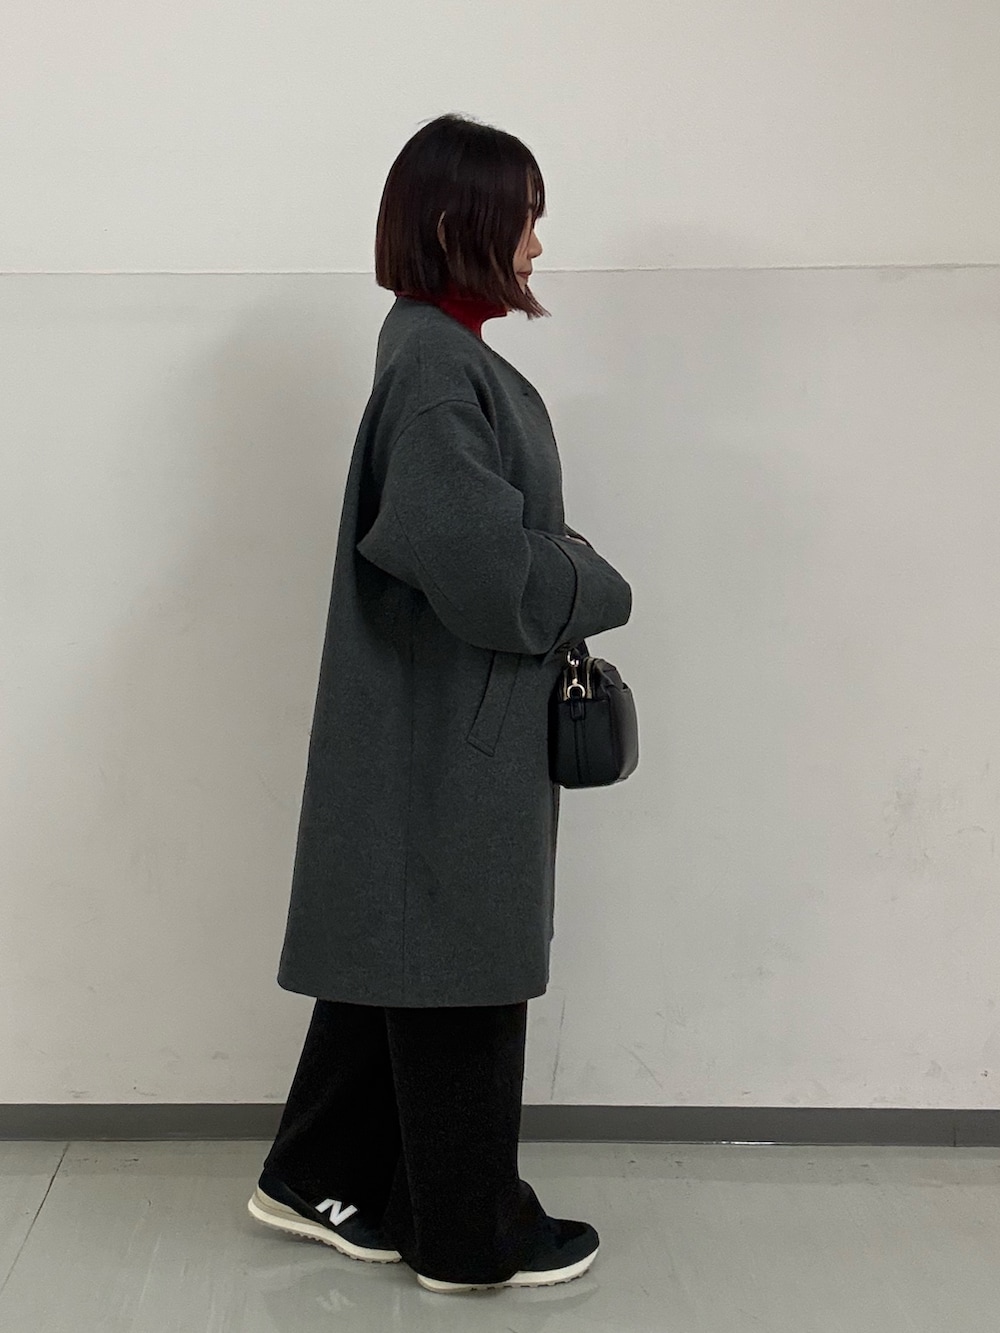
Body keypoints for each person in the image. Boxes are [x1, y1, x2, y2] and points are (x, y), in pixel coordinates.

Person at [246, 112, 633, 1294]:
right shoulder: (433, 366)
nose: (538, 244)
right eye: (526, 217)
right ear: (465, 220)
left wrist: (543, 555)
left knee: (402, 942)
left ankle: (315, 1171)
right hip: (448, 735)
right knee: (458, 960)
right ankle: (467, 1231)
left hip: (439, 722)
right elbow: (474, 563)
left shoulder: (436, 352)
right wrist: (590, 579)